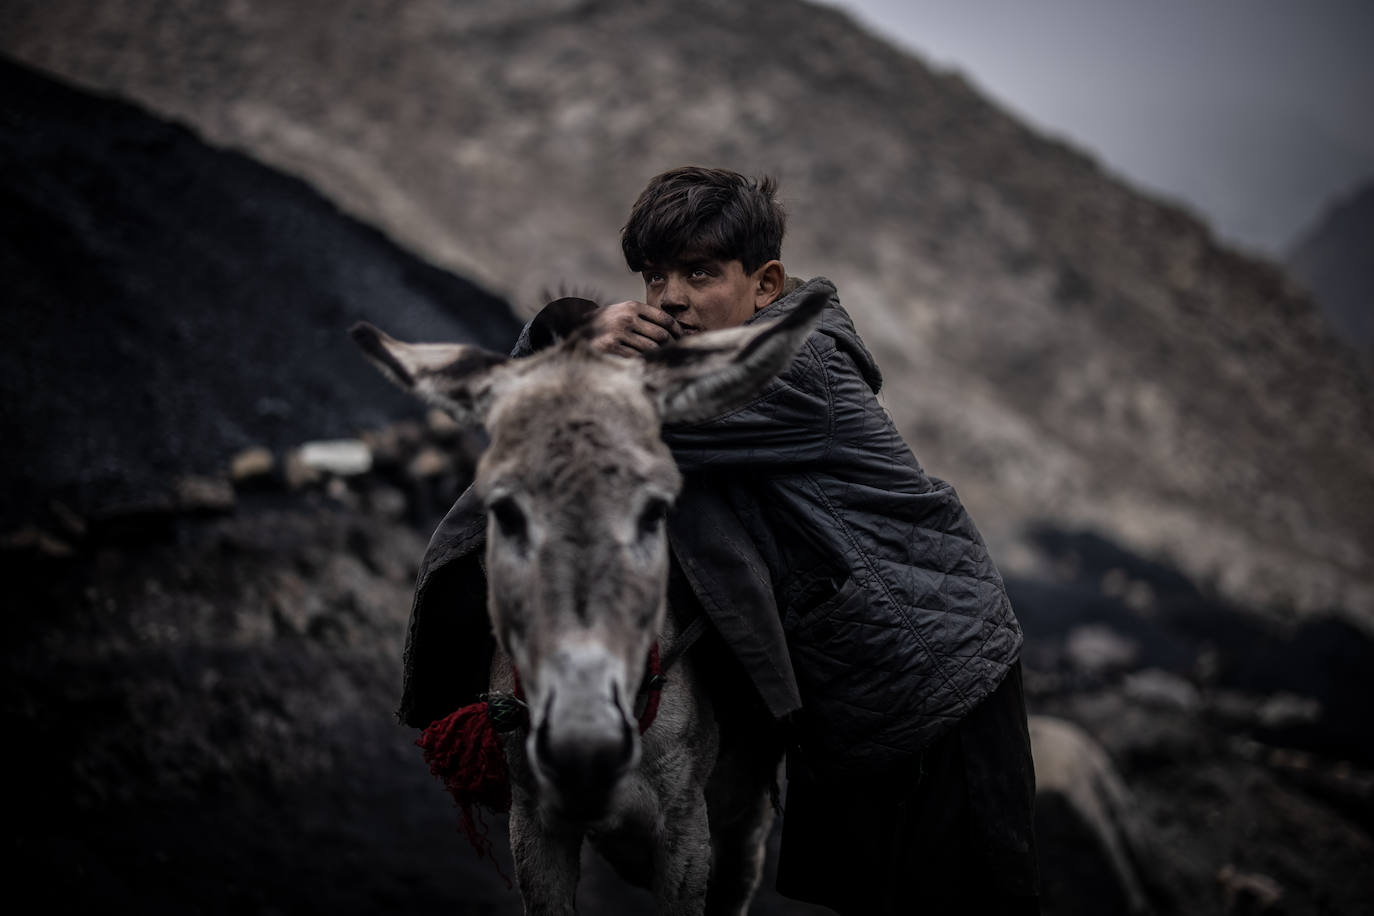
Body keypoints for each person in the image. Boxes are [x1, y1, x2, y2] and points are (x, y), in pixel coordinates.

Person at [400, 166, 1039, 914]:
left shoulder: (793, 364)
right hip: (865, 695)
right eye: (655, 277)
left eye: (700, 273)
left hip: (934, 678)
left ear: (766, 286)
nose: (670, 297)